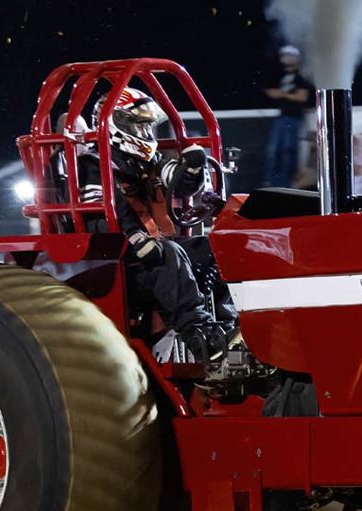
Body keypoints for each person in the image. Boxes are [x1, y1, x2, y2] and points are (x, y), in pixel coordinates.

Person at [79, 87, 234, 360]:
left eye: (148, 126)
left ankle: (227, 325)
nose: (145, 133)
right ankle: (199, 336)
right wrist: (135, 238)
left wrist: (193, 170)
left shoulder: (147, 160)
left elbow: (179, 184)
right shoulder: (93, 163)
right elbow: (98, 217)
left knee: (214, 248)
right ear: (118, 124)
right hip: (113, 257)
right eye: (139, 125)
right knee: (169, 252)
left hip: (152, 246)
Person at [262, 45, 313, 187]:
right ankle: (274, 182)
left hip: (293, 117)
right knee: (275, 150)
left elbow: (302, 97)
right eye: (284, 55)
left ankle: (285, 182)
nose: (286, 58)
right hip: (282, 117)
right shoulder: (280, 76)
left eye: (290, 56)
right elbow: (270, 92)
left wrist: (282, 94)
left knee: (288, 150)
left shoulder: (300, 78)